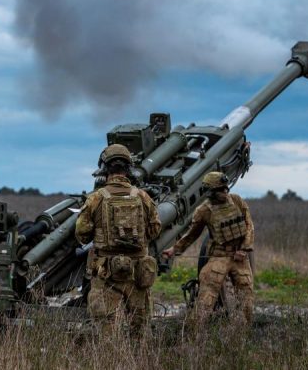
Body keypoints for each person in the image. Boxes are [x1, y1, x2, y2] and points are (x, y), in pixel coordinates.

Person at [75, 144, 161, 338]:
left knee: (106, 331)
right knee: (140, 332)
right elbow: (155, 229)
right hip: (137, 274)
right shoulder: (143, 197)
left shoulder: (95, 198)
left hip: (106, 274)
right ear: (128, 168)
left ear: (105, 168)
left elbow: (82, 233)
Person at [162, 171, 255, 328]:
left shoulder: (238, 201)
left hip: (240, 258)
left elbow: (249, 226)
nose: (225, 192)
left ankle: (242, 337)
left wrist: (244, 249)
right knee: (205, 301)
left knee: (246, 300)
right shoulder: (204, 210)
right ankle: (194, 338)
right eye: (220, 190)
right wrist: (174, 250)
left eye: (226, 189)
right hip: (218, 257)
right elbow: (192, 235)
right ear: (211, 192)